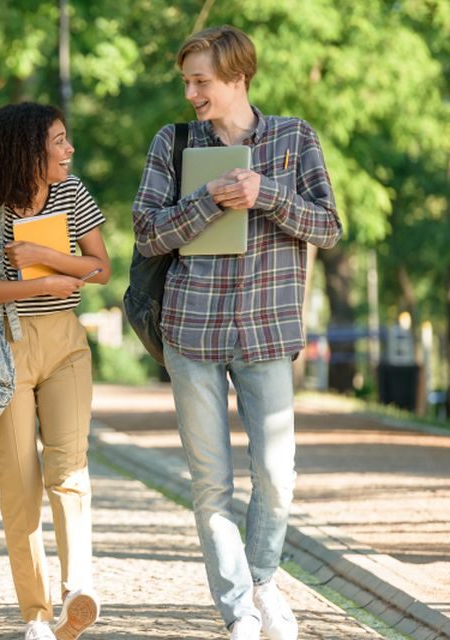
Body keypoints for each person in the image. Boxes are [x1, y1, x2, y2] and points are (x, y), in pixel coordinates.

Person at [132, 25, 341, 640]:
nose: (192, 93)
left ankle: (265, 580)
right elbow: (145, 233)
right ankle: (240, 612)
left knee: (277, 475)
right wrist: (207, 201)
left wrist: (268, 193)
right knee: (210, 484)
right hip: (190, 331)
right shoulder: (173, 144)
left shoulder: (293, 136)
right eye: (187, 82)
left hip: (267, 333)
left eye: (202, 82)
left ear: (237, 77)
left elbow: (328, 227)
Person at [0, 103, 110, 640]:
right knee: (20, 484)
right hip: (4, 351)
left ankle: (77, 589)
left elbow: (100, 269)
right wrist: (36, 284)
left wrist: (47, 258)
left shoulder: (71, 194)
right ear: (27, 152)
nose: (69, 150)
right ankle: (36, 614)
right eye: (59, 142)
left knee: (70, 468)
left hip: (65, 342)